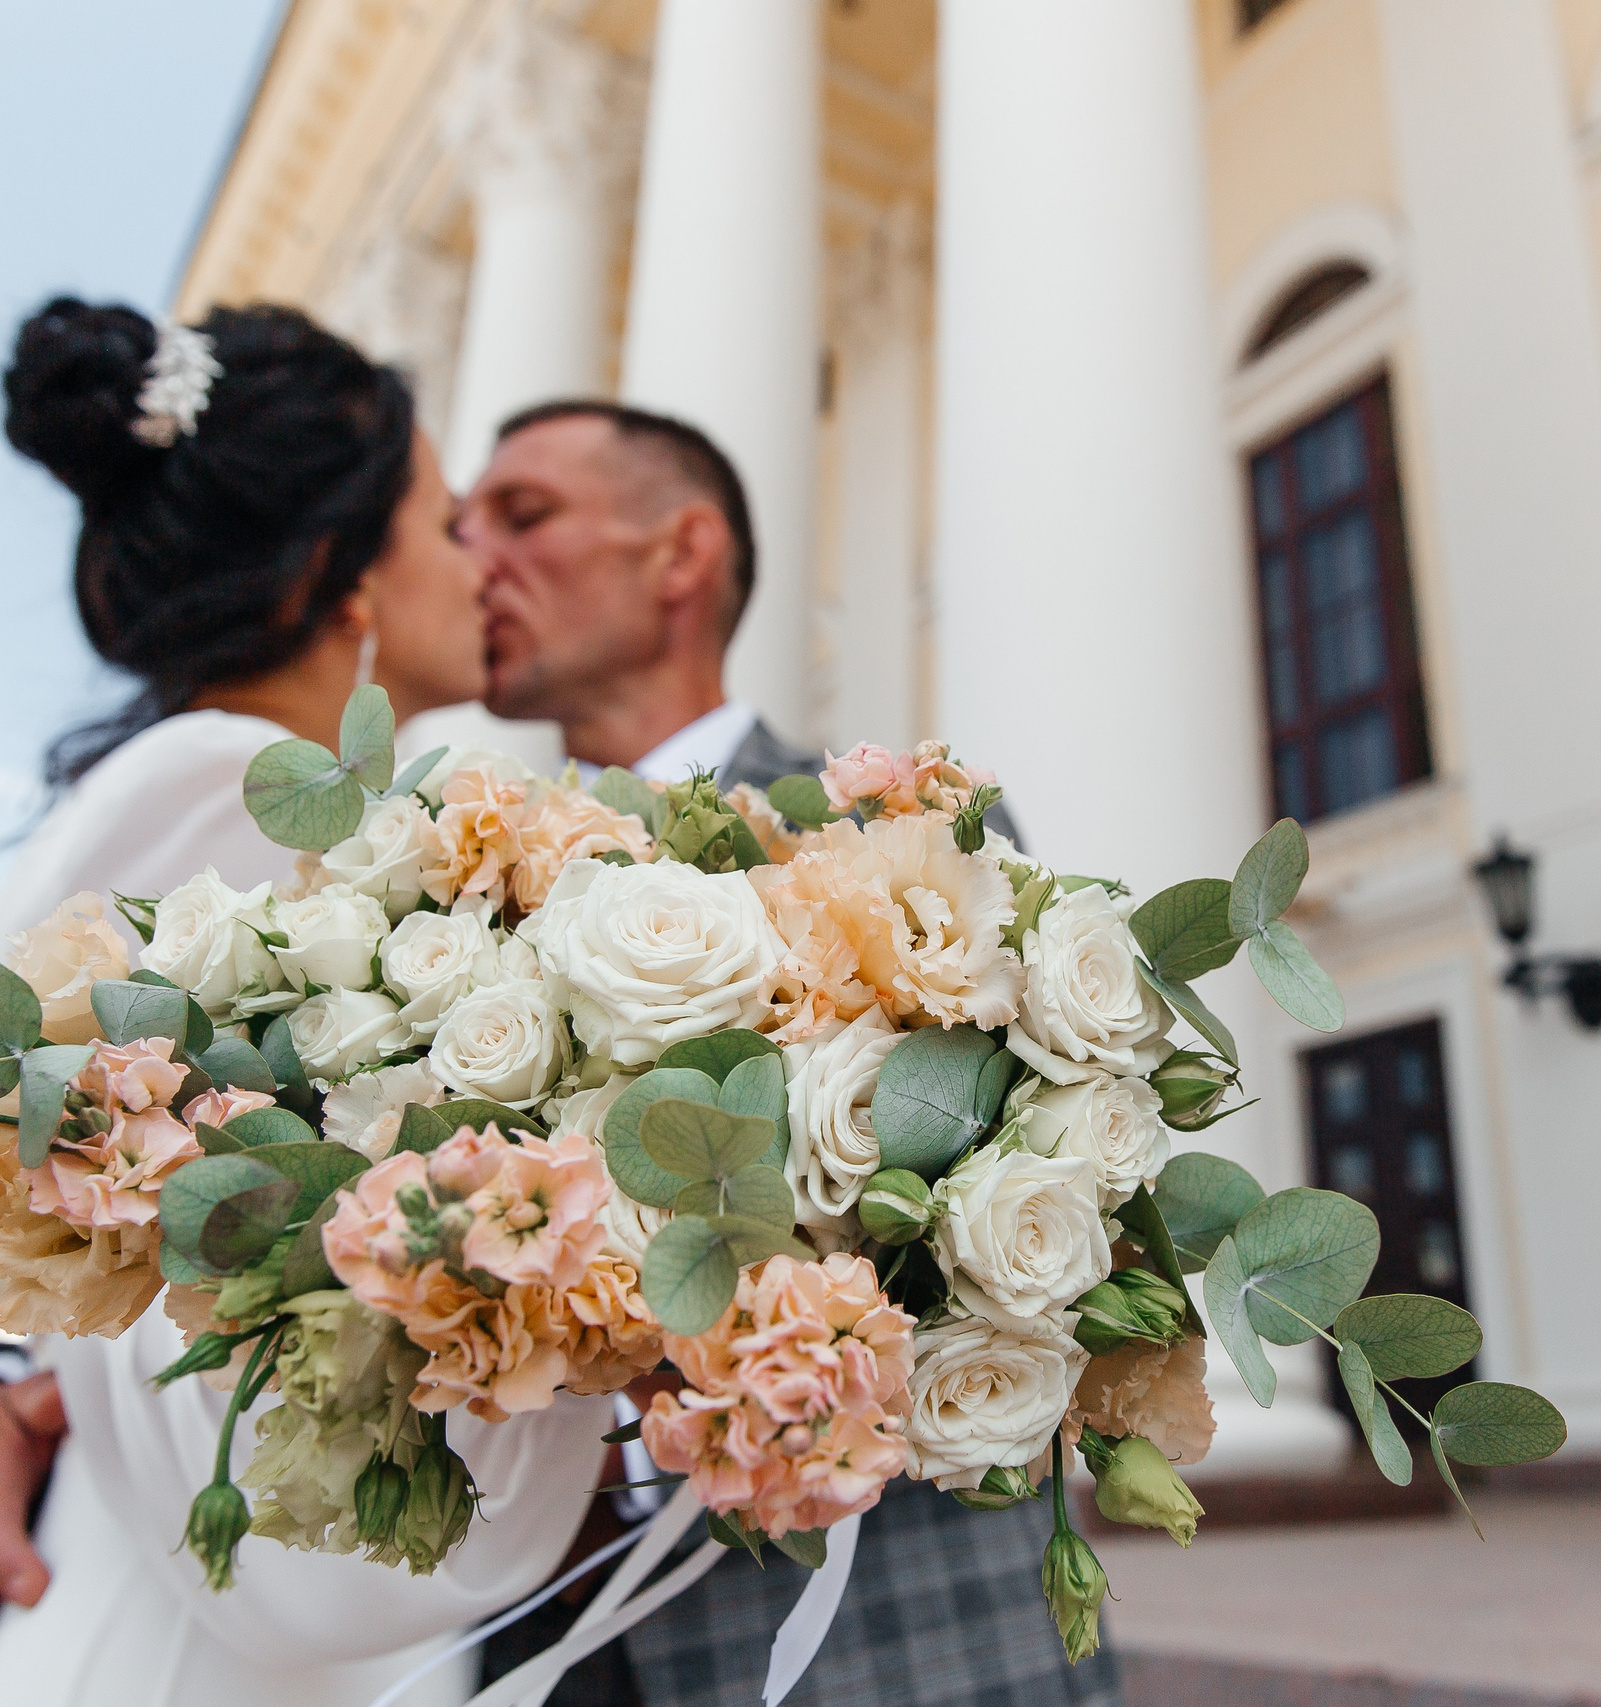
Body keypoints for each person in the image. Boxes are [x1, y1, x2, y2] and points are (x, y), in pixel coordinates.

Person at [0, 300, 610, 1707]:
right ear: (347, 583)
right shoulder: (220, 798)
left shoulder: (211, 791)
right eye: (445, 521)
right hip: (206, 1627)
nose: (477, 567)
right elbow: (154, 1281)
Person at [458, 401, 1114, 1707]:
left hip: (881, 1643)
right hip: (521, 1641)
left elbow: (1035, 1245)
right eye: (461, 526)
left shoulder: (909, 845)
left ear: (680, 557)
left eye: (522, 517)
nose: (473, 556)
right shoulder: (446, 906)